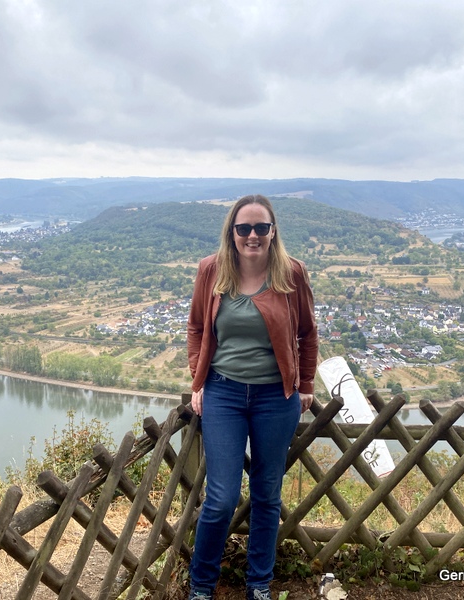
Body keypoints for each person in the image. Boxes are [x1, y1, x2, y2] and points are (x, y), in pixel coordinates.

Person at [186, 194, 318, 600]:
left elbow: (307, 334)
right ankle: (202, 586)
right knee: (221, 499)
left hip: (274, 398)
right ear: (232, 232)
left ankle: (258, 583)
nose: (253, 235)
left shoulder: (291, 273)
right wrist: (198, 380)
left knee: (266, 494)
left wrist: (307, 385)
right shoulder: (211, 270)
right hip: (223, 394)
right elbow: (195, 328)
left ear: (273, 232)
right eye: (244, 228)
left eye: (261, 228)